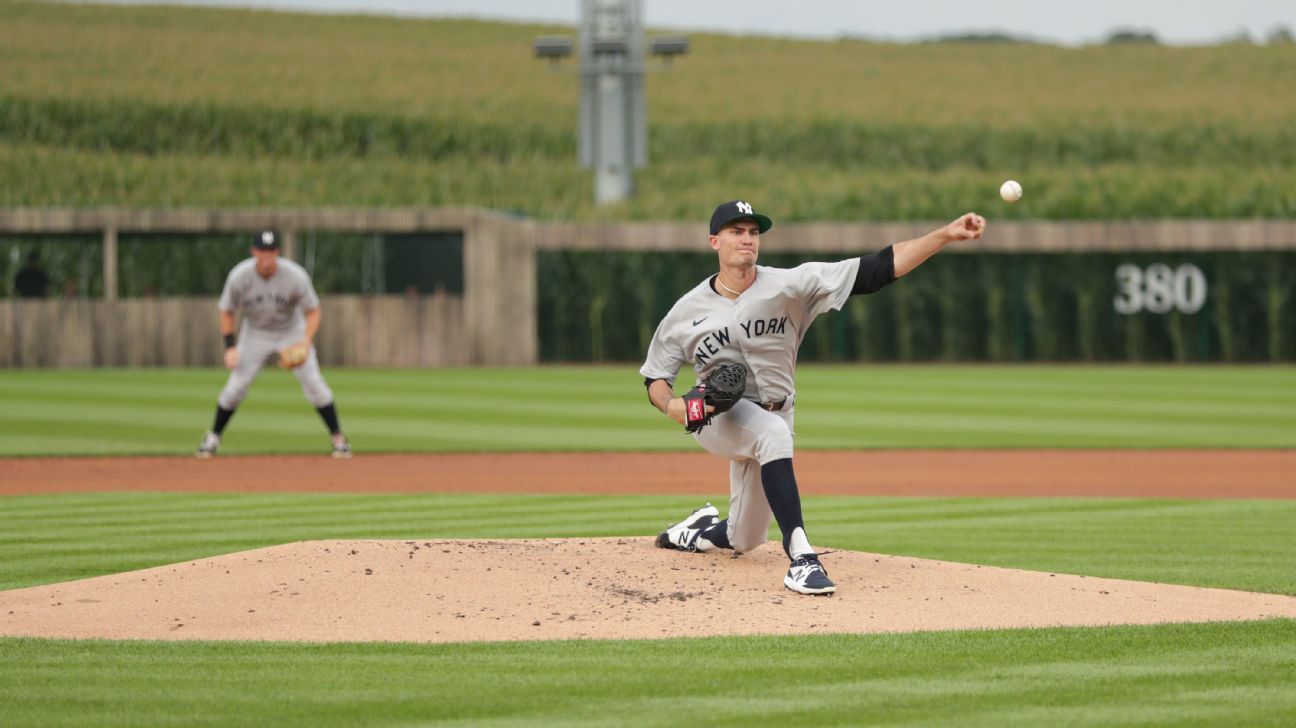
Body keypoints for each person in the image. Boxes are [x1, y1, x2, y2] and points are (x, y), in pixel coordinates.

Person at [640, 200, 985, 595]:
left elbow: (877, 269)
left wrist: (945, 234)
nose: (748, 239)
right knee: (771, 434)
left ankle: (697, 532)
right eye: (737, 231)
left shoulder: (791, 285)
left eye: (753, 232)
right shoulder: (687, 310)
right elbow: (655, 376)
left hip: (778, 414)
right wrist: (673, 406)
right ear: (714, 241)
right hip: (717, 417)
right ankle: (802, 557)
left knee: (745, 538)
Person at [196, 231, 351, 458]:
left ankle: (338, 438)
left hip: (291, 331)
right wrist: (230, 346)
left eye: (271, 250)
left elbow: (314, 310)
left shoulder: (295, 275)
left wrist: (306, 341)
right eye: (262, 250)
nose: (267, 255)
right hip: (255, 334)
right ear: (254, 252)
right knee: (236, 387)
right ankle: (213, 437)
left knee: (314, 383)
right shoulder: (240, 276)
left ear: (278, 252)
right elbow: (226, 310)